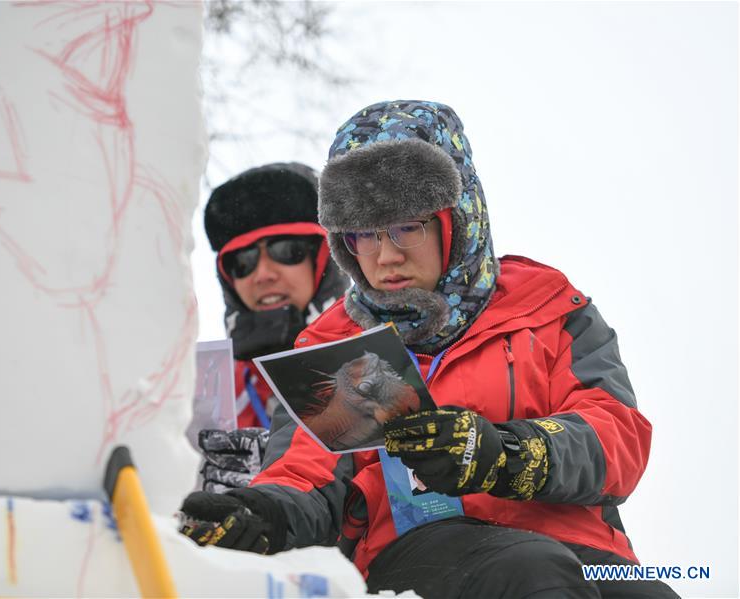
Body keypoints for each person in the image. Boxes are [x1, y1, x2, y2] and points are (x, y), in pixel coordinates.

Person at [179, 101, 678, 598]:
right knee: (532, 574)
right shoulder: (334, 344)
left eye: (406, 226)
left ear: (456, 220)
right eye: (364, 235)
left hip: (587, 550)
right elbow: (305, 472)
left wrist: (504, 453)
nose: (386, 256)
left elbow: (618, 437)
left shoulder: (547, 308)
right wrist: (262, 512)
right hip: (421, 554)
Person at [196, 162, 349, 493]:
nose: (263, 274)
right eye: (243, 262)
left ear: (326, 260)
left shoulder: (381, 360)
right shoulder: (209, 392)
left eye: (286, 251)